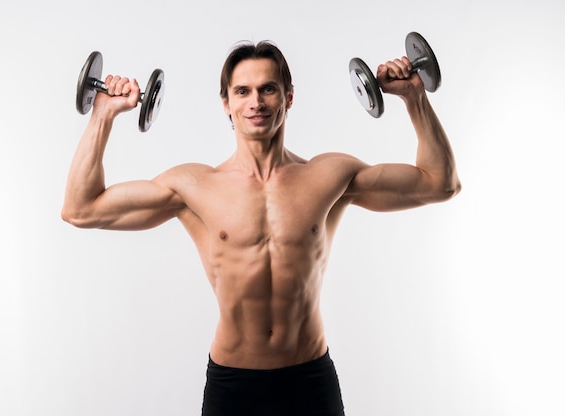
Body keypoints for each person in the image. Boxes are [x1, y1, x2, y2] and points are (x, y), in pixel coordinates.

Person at [62, 40, 461, 416]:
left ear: (288, 97)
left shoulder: (329, 176)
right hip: (233, 385)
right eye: (243, 92)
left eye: (268, 89)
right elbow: (81, 210)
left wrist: (415, 98)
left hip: (310, 380)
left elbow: (440, 183)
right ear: (226, 104)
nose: (256, 102)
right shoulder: (194, 186)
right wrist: (103, 115)